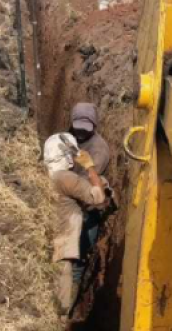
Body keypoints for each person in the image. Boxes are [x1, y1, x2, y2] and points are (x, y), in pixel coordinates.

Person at [43, 133, 108, 316]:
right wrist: (90, 167)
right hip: (62, 248)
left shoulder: (45, 174)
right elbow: (98, 197)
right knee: (60, 307)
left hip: (47, 245)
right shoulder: (65, 178)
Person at [69, 102, 110, 176]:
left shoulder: (99, 149)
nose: (82, 131)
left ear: (94, 126)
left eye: (85, 128)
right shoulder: (69, 137)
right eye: (78, 128)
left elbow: (90, 178)